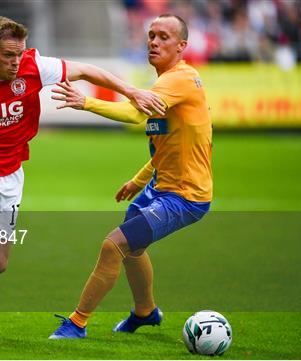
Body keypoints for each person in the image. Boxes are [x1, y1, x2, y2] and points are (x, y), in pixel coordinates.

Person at [0, 15, 165, 341]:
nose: (16, 62)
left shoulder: (34, 66)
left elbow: (88, 71)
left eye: (19, 54)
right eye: (8, 55)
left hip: (8, 175)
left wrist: (131, 91)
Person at [49, 14, 212, 339]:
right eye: (151, 35)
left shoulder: (178, 79)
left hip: (185, 196)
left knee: (115, 245)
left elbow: (134, 113)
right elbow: (167, 144)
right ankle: (146, 312)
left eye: (164, 37)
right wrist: (139, 181)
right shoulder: (167, 82)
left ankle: (77, 323)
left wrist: (86, 102)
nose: (153, 41)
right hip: (160, 186)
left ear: (182, 46)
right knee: (133, 248)